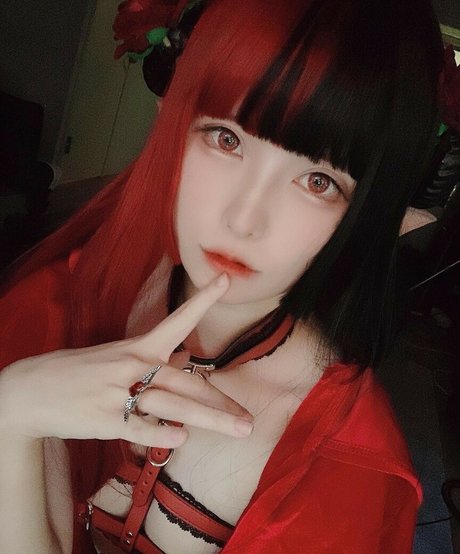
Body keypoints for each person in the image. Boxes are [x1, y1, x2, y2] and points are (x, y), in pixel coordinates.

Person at [0, 0, 444, 552]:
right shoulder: (58, 302)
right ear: (174, 121)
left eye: (318, 181)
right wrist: (13, 413)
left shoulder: (345, 462)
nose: (244, 219)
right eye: (226, 139)